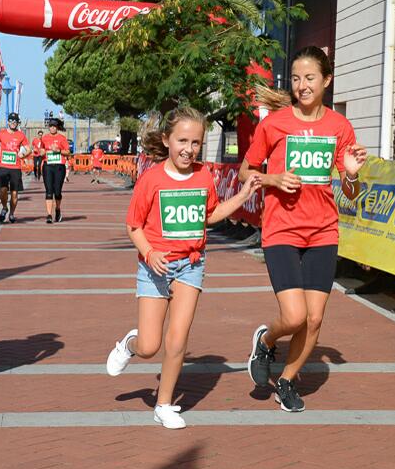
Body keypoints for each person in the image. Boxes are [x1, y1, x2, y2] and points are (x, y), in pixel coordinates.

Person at [106, 107, 262, 429]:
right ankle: (128, 345)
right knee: (150, 347)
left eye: (196, 142)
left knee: (177, 341)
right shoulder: (151, 179)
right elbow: (133, 226)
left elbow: (211, 214)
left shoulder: (204, 176)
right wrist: (150, 253)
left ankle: (163, 404)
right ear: (166, 140)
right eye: (182, 140)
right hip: (155, 268)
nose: (188, 149)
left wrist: (244, 194)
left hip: (190, 266)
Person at [239, 46, 367, 412]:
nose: (302, 85)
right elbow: (248, 171)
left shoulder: (339, 127)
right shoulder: (275, 123)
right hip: (281, 230)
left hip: (323, 232)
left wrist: (353, 175)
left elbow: (351, 193)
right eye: (296, 79)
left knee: (313, 319)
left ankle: (287, 380)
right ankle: (266, 341)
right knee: (293, 316)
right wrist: (274, 179)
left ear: (326, 80)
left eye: (310, 78)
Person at [0, 112, 29, 223]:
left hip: (15, 168)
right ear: (8, 122)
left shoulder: (21, 135)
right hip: (3, 166)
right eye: (11, 121)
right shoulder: (1, 133)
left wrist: (23, 154)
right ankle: (5, 207)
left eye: (15, 121)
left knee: (14, 193)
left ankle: (11, 213)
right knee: (3, 190)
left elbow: (28, 149)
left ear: (17, 123)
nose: (13, 123)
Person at [39, 118, 71, 223]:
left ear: (57, 127)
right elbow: (40, 150)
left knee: (57, 192)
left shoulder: (62, 138)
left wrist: (58, 150)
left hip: (59, 167)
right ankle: (49, 215)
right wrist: (42, 152)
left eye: (54, 126)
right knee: (49, 191)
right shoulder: (44, 138)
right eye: (51, 126)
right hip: (47, 166)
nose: (52, 128)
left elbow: (68, 152)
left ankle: (57, 209)